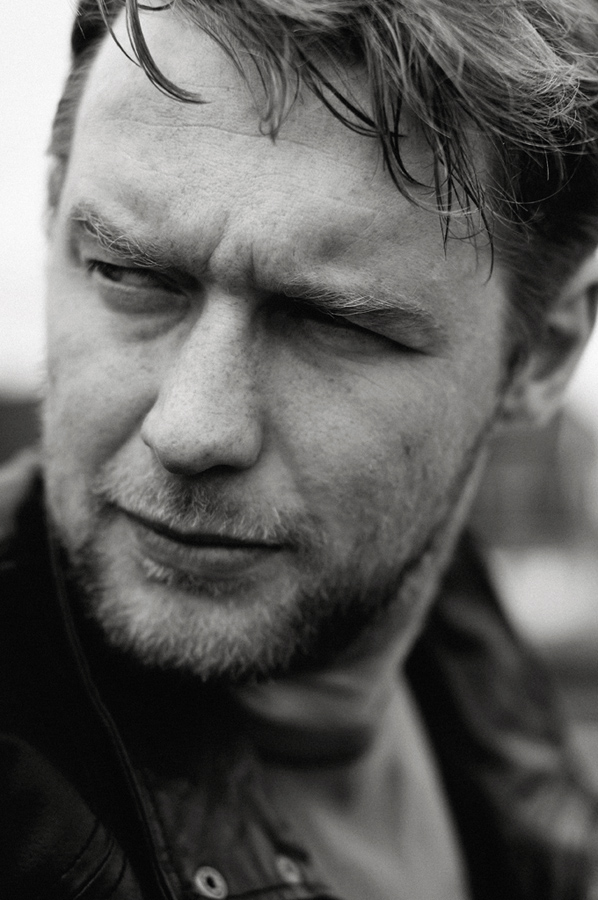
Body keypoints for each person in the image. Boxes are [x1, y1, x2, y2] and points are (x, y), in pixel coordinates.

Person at [2, 0, 598, 897]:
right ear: (52, 215)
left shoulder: (472, 657)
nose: (190, 430)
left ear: (543, 351)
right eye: (129, 273)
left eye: (332, 322)